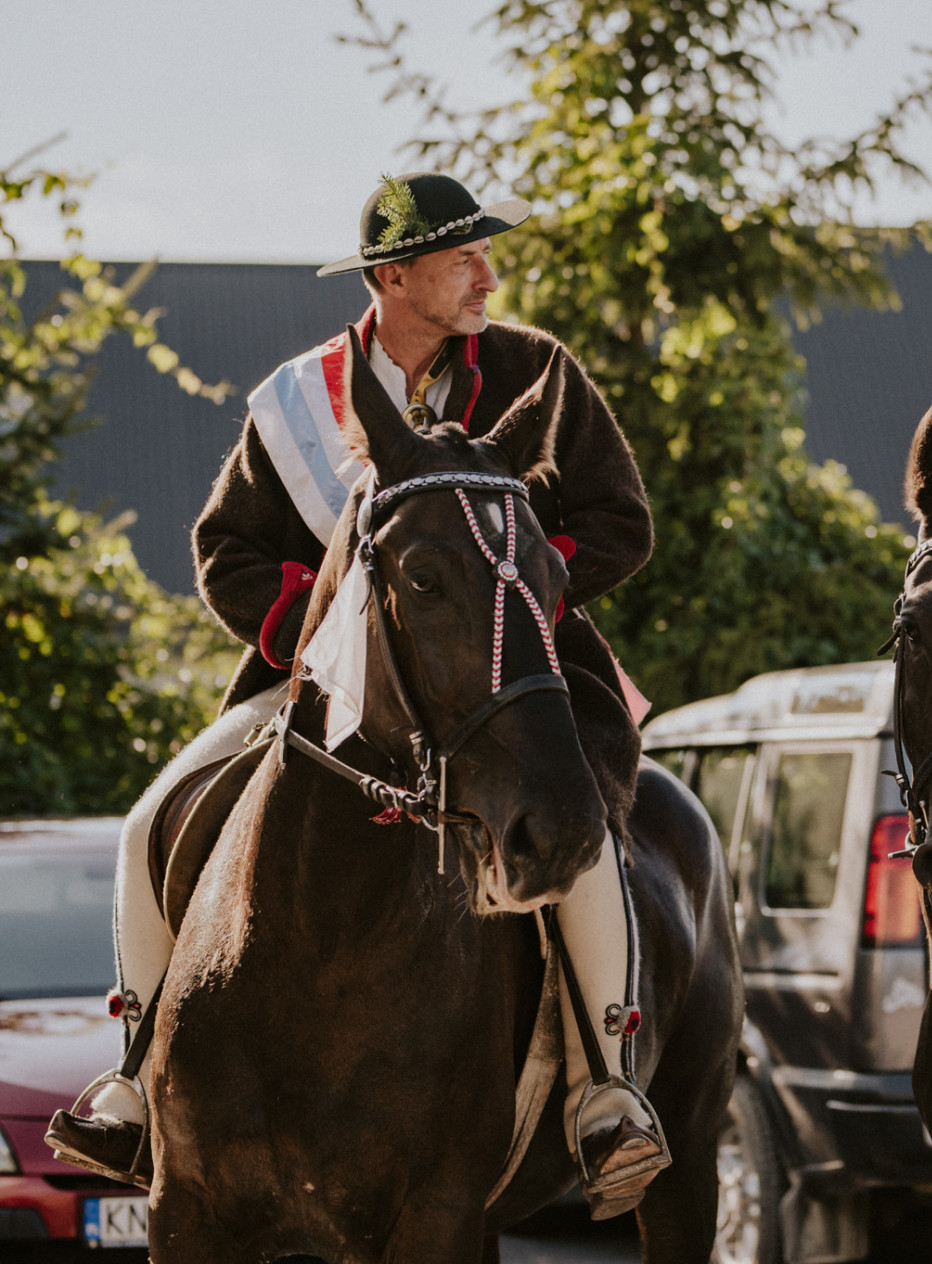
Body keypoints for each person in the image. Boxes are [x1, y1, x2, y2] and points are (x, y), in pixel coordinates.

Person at [49, 173, 665, 1218]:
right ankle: (134, 1079)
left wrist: (510, 581)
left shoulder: (536, 370)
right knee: (151, 816)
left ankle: (603, 1089)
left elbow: (620, 521)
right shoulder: (296, 399)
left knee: (586, 842)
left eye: (483, 256)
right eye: (462, 258)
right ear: (394, 275)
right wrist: (325, 631)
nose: (488, 275)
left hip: (509, 684)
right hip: (324, 689)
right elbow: (225, 550)